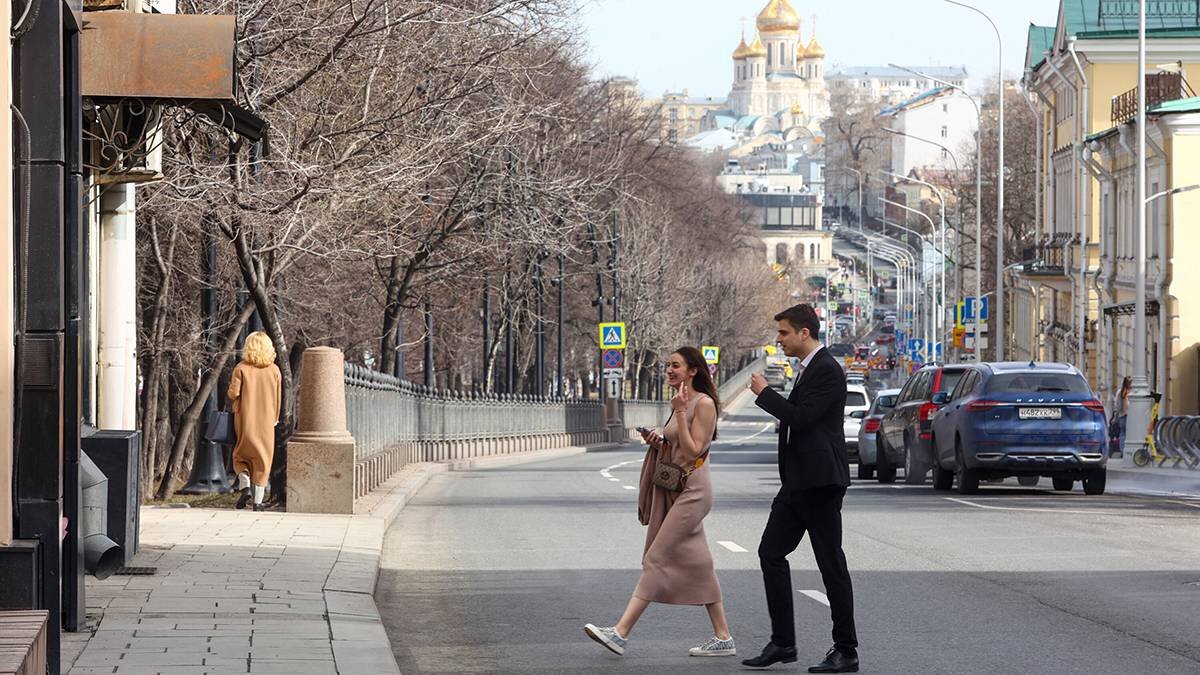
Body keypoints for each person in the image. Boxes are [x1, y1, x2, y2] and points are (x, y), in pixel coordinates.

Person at [584, 347, 735, 658]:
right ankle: (723, 638)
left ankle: (620, 633)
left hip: (693, 491)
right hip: (677, 488)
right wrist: (659, 441)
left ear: (693, 370)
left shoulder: (703, 404)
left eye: (675, 365)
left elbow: (694, 451)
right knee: (700, 564)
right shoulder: (680, 401)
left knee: (656, 558)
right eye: (667, 365)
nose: (669, 370)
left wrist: (680, 411)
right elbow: (676, 445)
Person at [745, 303, 859, 673]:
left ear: (804, 333)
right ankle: (783, 642)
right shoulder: (808, 369)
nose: (779, 340)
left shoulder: (827, 370)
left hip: (821, 482)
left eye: (783, 333)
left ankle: (846, 650)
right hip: (797, 482)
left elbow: (803, 418)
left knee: (831, 567)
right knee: (770, 553)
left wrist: (765, 393)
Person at [227, 331, 282, 511]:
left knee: (240, 455)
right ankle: (257, 503)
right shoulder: (274, 370)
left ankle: (245, 484)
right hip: (267, 420)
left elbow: (234, 393)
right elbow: (278, 397)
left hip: (245, 418)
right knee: (263, 459)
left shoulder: (241, 368)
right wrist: (275, 417)